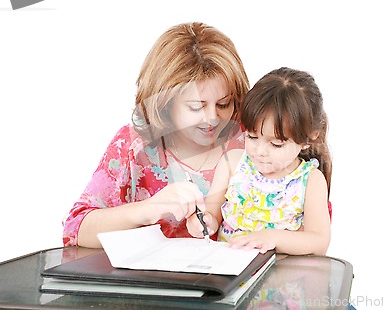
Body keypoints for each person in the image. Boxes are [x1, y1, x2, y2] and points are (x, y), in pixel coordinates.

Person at [62, 22, 250, 248]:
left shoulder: (253, 140)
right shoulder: (133, 145)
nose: (213, 118)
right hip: (147, 282)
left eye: (223, 103)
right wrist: (145, 210)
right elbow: (75, 230)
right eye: (195, 107)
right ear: (165, 103)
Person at [187, 67, 332, 255]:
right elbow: (212, 217)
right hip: (230, 273)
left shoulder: (310, 180)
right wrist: (202, 222)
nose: (260, 151)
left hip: (281, 278)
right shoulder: (232, 164)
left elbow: (319, 241)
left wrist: (273, 237)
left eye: (276, 144)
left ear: (308, 138)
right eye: (252, 137)